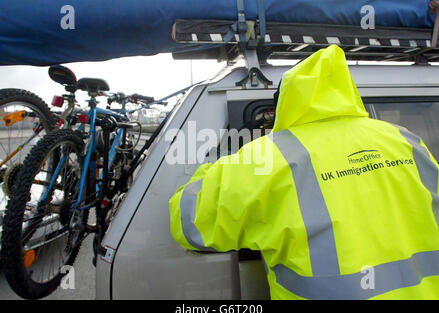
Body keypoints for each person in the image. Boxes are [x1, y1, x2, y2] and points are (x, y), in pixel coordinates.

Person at [169, 44, 439, 299]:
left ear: (285, 103)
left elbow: (189, 221)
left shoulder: (265, 159)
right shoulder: (406, 141)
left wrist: (219, 158)